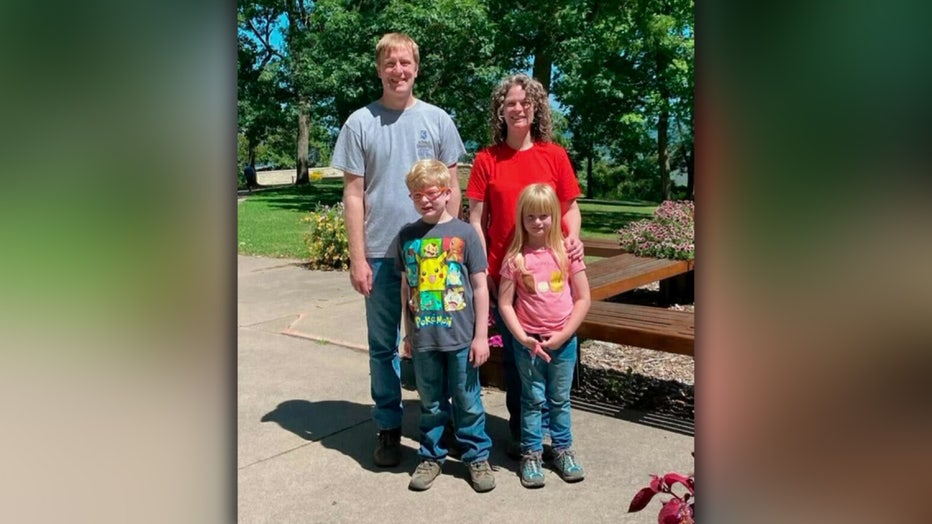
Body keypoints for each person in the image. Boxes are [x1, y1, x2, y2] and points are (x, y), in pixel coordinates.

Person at [331, 32, 466, 467]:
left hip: (431, 256)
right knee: (382, 347)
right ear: (379, 69)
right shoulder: (360, 123)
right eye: (390, 63)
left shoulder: (438, 121)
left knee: (436, 343)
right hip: (379, 254)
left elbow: (453, 187)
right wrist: (357, 258)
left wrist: (453, 245)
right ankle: (388, 427)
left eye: (405, 62)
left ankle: (443, 428)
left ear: (416, 67)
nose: (398, 70)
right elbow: (353, 195)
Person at [465, 73, 584, 458]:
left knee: (558, 356)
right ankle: (525, 437)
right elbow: (476, 219)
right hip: (508, 275)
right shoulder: (487, 159)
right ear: (500, 110)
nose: (518, 109)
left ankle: (555, 437)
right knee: (520, 364)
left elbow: (570, 209)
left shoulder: (554, 155)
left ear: (535, 109)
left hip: (553, 273)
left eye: (525, 102)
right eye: (510, 103)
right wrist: (481, 266)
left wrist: (573, 240)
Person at [394, 159, 495, 492]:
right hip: (424, 338)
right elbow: (407, 288)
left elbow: (480, 286)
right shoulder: (407, 236)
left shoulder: (465, 234)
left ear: (448, 193)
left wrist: (482, 336)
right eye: (416, 194)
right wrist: (407, 334)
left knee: (467, 402)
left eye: (432, 193)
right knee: (431, 403)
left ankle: (476, 456)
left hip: (463, 337)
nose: (425, 199)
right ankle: (432, 455)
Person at [497, 183, 591, 488]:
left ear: (555, 216)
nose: (538, 222)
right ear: (521, 219)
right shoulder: (515, 259)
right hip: (530, 345)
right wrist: (523, 338)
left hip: (562, 343)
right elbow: (504, 304)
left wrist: (564, 335)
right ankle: (531, 454)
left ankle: (562, 450)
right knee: (533, 399)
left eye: (545, 216)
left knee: (560, 399)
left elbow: (583, 299)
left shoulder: (567, 254)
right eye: (531, 217)